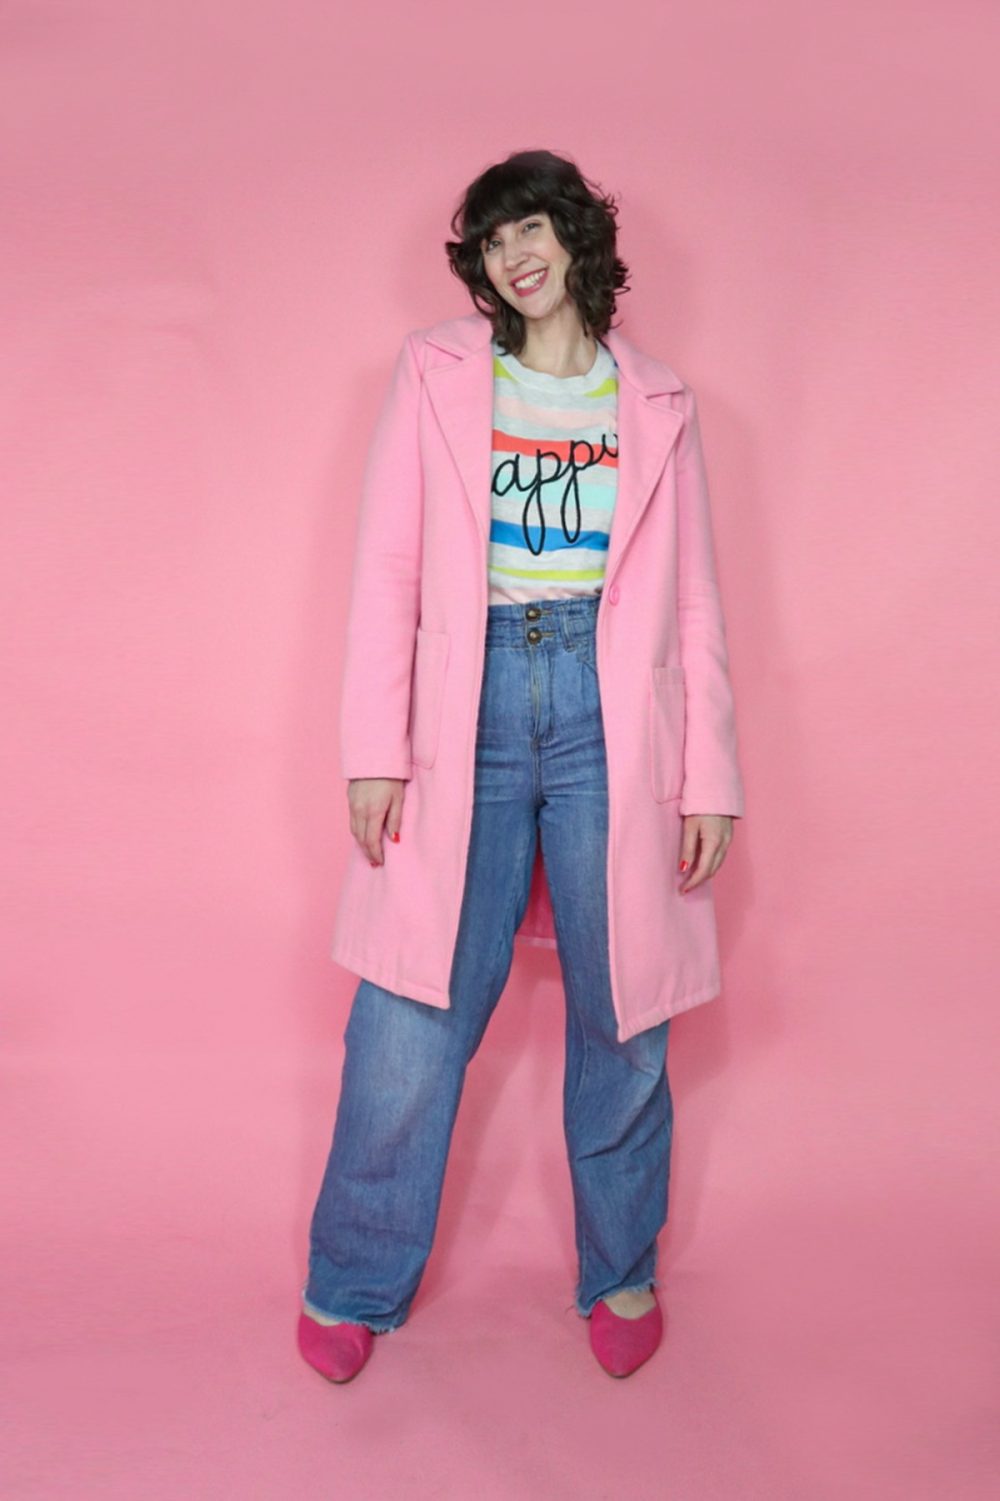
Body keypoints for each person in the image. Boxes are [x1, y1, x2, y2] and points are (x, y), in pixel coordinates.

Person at [297, 149, 745, 1384]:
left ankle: (620, 1267)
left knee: (624, 1000)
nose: (513, 255)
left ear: (577, 237)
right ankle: (354, 1278)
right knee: (414, 998)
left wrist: (709, 775)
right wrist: (374, 749)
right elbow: (388, 568)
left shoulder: (656, 400)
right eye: (493, 242)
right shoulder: (440, 372)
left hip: (614, 710)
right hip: (472, 700)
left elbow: (694, 601)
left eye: (531, 227)